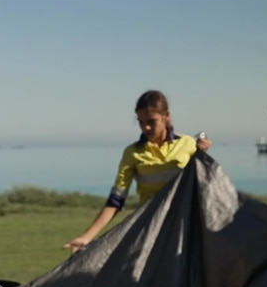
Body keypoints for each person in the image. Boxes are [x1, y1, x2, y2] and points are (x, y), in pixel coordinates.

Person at [64, 90, 211, 252]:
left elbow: (202, 184)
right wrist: (86, 237)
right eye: (141, 122)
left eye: (151, 121)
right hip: (151, 227)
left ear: (166, 116)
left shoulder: (188, 144)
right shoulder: (132, 153)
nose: (145, 127)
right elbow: (116, 200)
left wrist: (201, 154)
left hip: (186, 224)